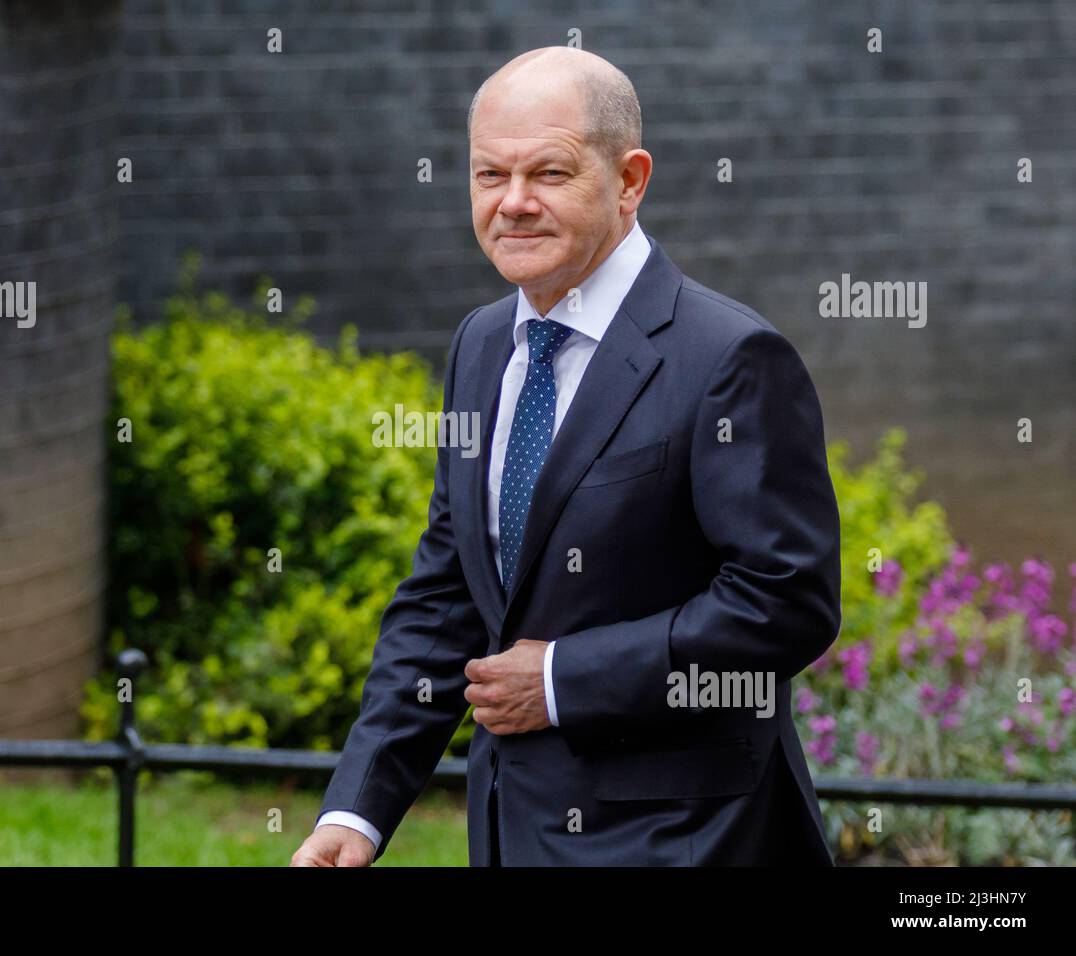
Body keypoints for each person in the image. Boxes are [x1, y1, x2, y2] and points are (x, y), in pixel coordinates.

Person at [290, 46, 841, 867]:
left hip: (686, 840)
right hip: (512, 834)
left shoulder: (730, 357)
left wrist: (562, 681)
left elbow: (785, 601)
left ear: (629, 181)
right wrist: (357, 811)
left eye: (548, 173)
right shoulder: (481, 345)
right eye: (488, 176)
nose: (513, 204)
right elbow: (446, 595)